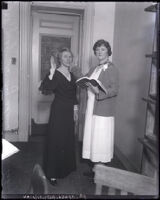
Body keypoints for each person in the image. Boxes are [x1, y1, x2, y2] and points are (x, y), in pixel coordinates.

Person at [39, 47, 78, 185]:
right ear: (60, 59)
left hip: (69, 112)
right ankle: (52, 173)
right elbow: (46, 89)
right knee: (56, 139)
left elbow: (74, 95)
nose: (68, 59)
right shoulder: (56, 73)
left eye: (70, 56)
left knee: (66, 139)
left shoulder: (72, 75)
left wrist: (75, 109)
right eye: (65, 56)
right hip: (58, 111)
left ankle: (64, 169)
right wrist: (51, 72)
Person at [81, 39, 119, 177]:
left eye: (102, 49)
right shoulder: (94, 68)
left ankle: (102, 174)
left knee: (100, 139)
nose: (99, 52)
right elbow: (85, 79)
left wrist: (98, 92)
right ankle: (95, 170)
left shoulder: (112, 68)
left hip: (103, 110)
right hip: (92, 107)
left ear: (108, 51)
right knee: (93, 138)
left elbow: (114, 90)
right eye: (97, 49)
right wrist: (84, 83)